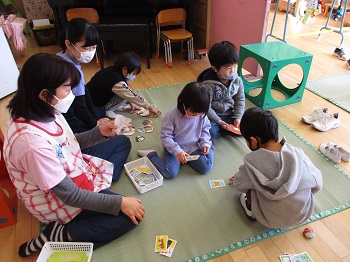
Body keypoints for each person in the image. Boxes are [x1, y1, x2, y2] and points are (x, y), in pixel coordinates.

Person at [3, 53, 145, 257]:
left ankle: (98, 192)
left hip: (73, 168)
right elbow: (69, 195)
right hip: (58, 199)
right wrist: (119, 203)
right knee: (130, 216)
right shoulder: (31, 144)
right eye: (67, 88)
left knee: (122, 142)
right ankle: (60, 234)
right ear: (44, 94)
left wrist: (98, 133)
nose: (71, 93)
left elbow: (67, 142)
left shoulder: (42, 109)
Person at [229, 107, 323, 228]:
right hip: (302, 214)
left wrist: (237, 179)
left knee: (249, 188)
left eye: (246, 140)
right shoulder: (298, 154)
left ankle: (250, 210)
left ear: (253, 140)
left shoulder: (252, 162)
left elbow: (239, 184)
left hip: (269, 219)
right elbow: (317, 182)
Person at [137, 82, 214, 179]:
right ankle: (151, 155)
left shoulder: (201, 114)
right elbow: (165, 136)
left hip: (193, 146)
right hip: (174, 147)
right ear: (183, 103)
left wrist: (205, 143)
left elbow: (205, 128)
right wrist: (177, 151)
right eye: (193, 112)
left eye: (199, 113)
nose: (196, 116)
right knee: (170, 173)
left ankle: (209, 147)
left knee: (206, 168)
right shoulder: (172, 115)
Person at [57, 17, 109, 133]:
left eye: (94, 47)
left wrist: (96, 118)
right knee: (109, 132)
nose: (90, 51)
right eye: (86, 48)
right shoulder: (72, 70)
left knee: (99, 113)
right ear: (69, 44)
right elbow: (79, 108)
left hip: (64, 114)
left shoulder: (60, 56)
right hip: (66, 119)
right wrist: (95, 124)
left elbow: (84, 93)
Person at [87, 51, 161, 118]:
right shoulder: (117, 81)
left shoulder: (111, 70)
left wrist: (131, 102)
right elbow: (132, 95)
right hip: (91, 105)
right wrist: (149, 107)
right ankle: (107, 110)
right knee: (99, 114)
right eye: (133, 73)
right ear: (124, 69)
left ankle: (109, 108)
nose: (133, 76)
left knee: (126, 92)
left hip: (88, 97)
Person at [196, 40, 245, 140]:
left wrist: (237, 117)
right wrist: (218, 121)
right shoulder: (208, 85)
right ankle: (220, 127)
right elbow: (206, 108)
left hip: (228, 114)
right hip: (211, 117)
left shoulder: (237, 81)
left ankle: (225, 127)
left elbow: (240, 100)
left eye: (235, 66)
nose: (233, 71)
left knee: (246, 127)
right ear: (215, 69)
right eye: (228, 68)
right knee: (211, 133)